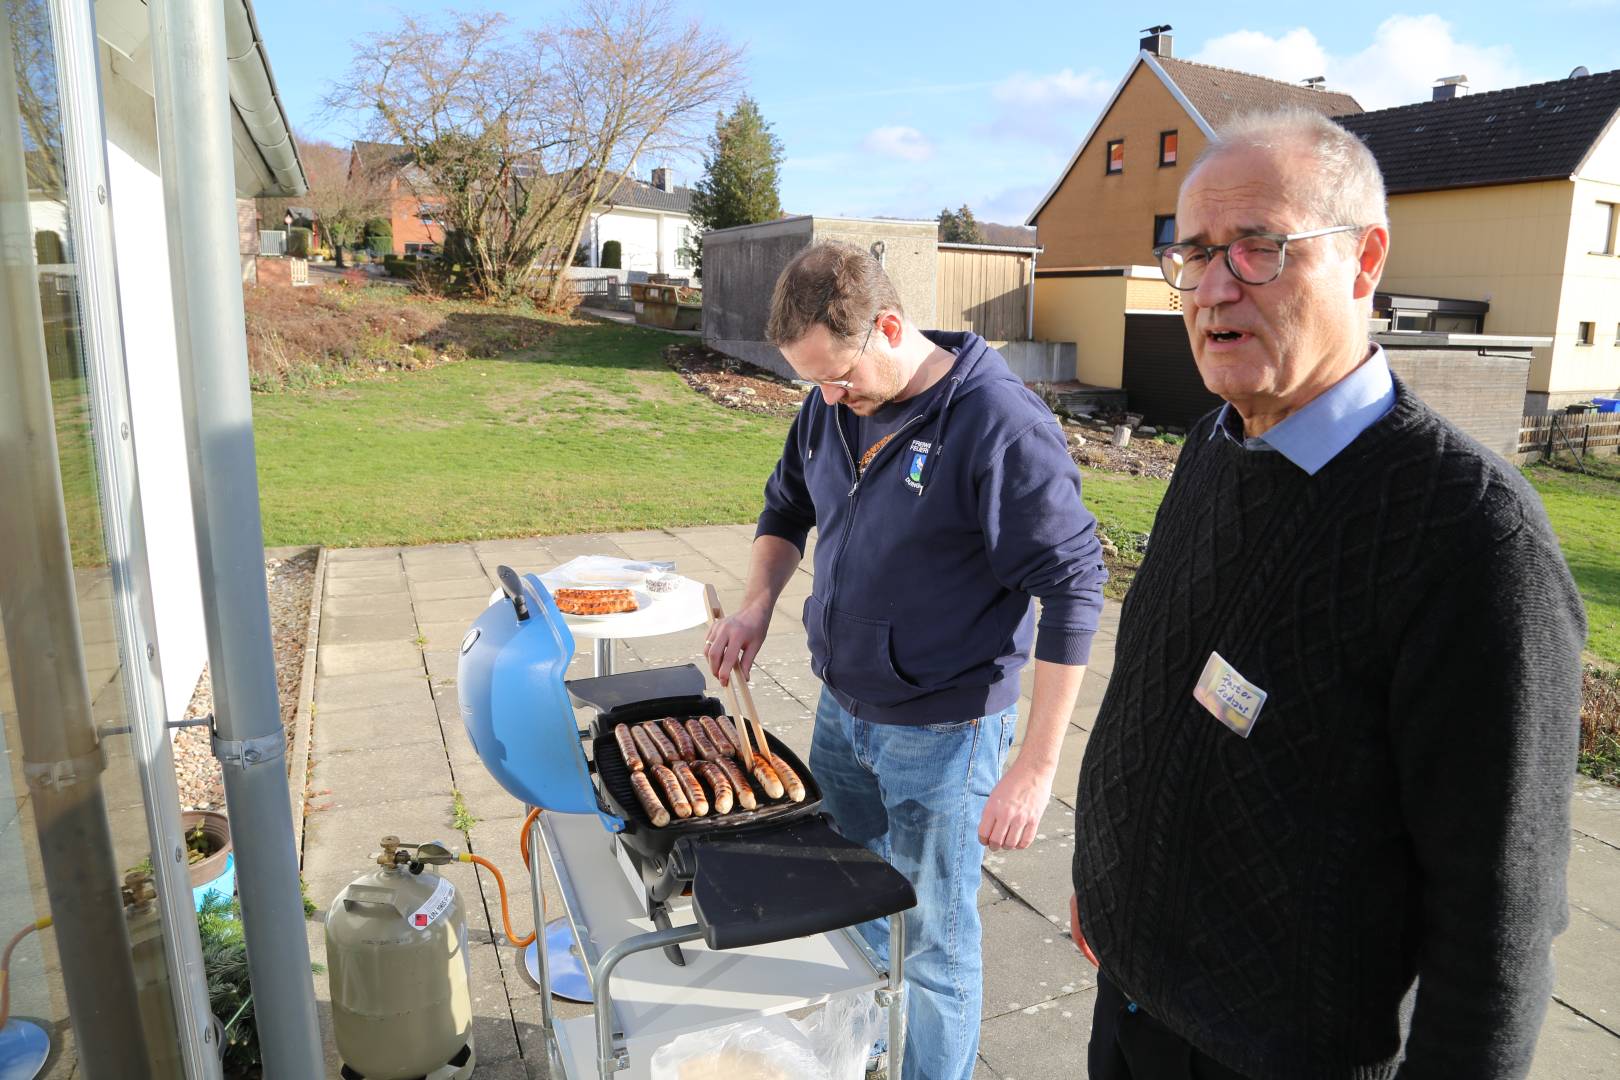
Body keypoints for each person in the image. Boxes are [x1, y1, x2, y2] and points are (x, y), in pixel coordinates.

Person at [1072, 109, 1586, 1080]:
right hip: (1130, 1009)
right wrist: (1107, 888)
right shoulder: (1215, 448)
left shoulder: (1472, 540)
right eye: (1196, 254)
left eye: (1260, 248)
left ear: (1365, 260)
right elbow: (1157, 687)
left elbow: (1496, 933)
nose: (1215, 288)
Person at [706, 240, 1106, 1080]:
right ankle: (864, 1049)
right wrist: (755, 605)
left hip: (946, 731)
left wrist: (1035, 768)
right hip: (841, 710)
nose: (827, 398)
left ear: (890, 326)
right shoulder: (829, 405)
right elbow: (786, 507)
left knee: (933, 942)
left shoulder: (998, 423)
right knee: (848, 907)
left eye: (839, 377)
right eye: (811, 381)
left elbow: (1073, 588)